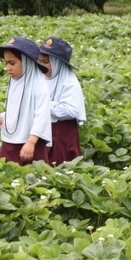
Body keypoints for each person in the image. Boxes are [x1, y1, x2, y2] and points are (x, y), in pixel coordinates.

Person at [0, 36, 52, 165]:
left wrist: (31, 142)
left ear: (27, 62)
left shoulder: (39, 85)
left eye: (12, 63)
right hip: (11, 141)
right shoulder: (15, 82)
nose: (8, 68)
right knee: (2, 173)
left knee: (31, 178)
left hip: (31, 143)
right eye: (6, 63)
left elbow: (42, 117)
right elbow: (17, 111)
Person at [37, 37, 87, 165]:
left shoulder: (69, 81)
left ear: (57, 63)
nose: (41, 66)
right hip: (44, 130)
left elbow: (72, 110)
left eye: (46, 62)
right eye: (40, 61)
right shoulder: (40, 78)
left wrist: (43, 104)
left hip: (62, 133)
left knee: (61, 164)